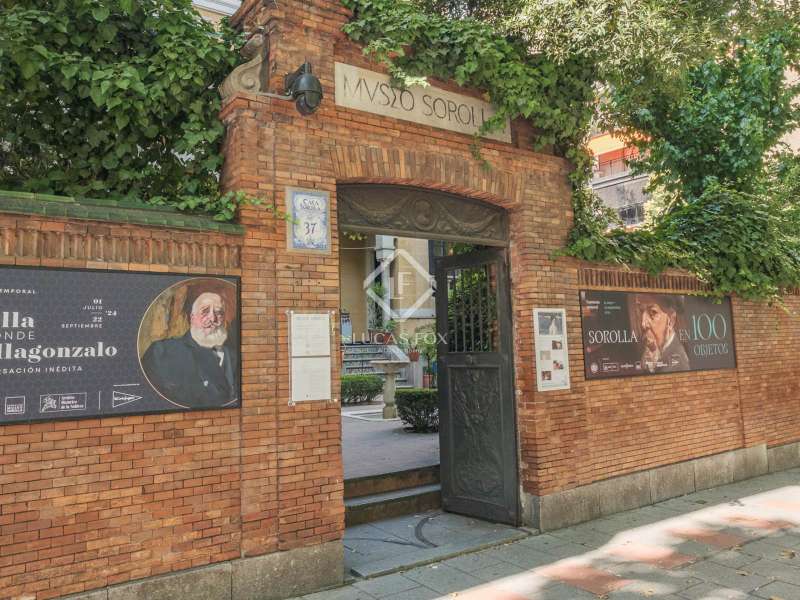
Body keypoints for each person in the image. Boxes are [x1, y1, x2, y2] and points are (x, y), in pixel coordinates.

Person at [141, 291, 238, 408]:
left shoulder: (234, 357)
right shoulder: (162, 352)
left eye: (219, 313)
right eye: (205, 311)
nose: (213, 318)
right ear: (192, 317)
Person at [635, 294, 690, 373]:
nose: (643, 324)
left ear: (671, 320)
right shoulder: (653, 351)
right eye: (641, 311)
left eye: (653, 312)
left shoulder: (679, 364)